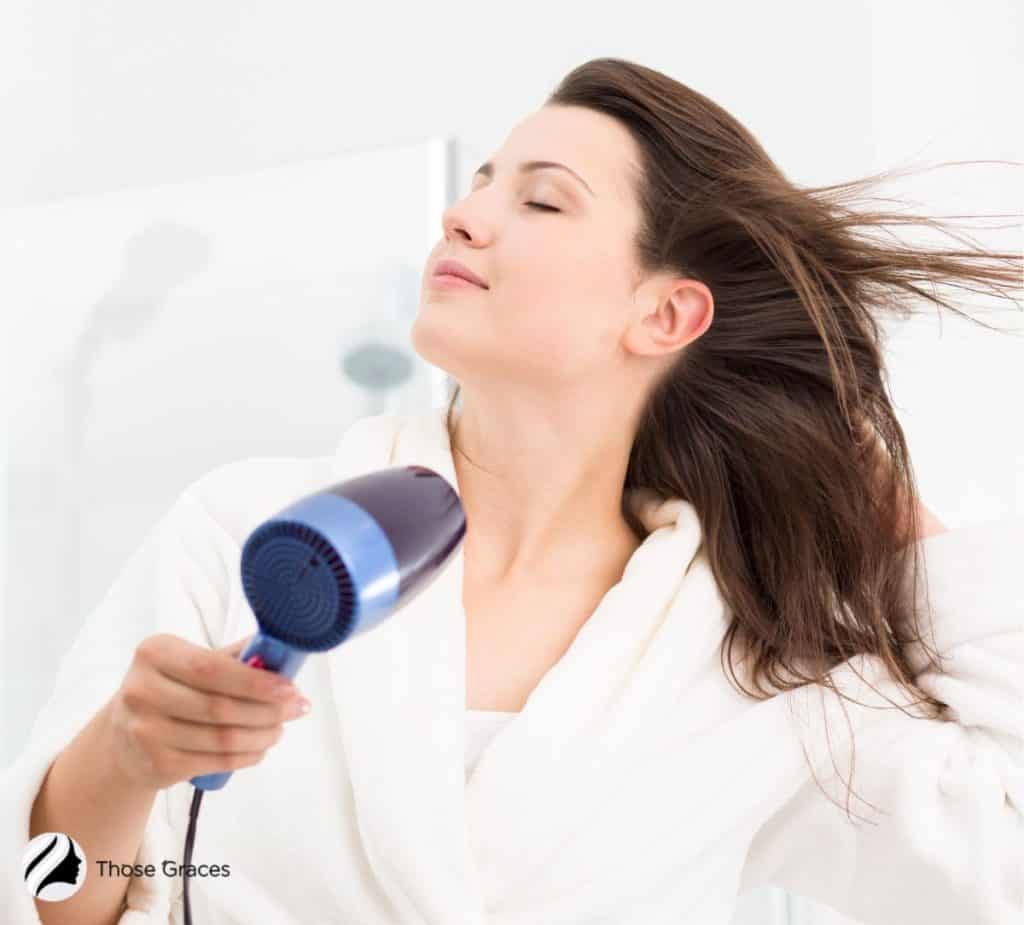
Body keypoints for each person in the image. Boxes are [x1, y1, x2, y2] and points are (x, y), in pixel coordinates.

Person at [3, 57, 1022, 925]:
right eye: (481, 182)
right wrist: (122, 759)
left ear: (666, 313)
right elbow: (41, 889)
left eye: (538, 199)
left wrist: (891, 516)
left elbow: (1001, 852)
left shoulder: (751, 659)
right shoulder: (254, 532)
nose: (463, 213)